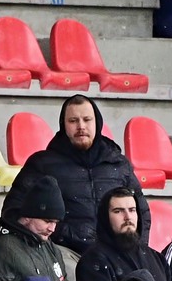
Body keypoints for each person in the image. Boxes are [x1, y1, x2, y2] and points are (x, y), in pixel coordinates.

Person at [18, 95, 147, 253]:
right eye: (73, 121)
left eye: (87, 120)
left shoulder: (119, 164)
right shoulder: (42, 164)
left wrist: (138, 251)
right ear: (64, 125)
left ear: (97, 122)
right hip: (63, 252)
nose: (81, 126)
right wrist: (67, 235)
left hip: (114, 254)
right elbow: (17, 211)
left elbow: (142, 213)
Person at [76, 186, 165, 281]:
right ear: (106, 217)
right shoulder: (93, 260)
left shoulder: (157, 258)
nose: (127, 217)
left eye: (132, 210)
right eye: (118, 211)